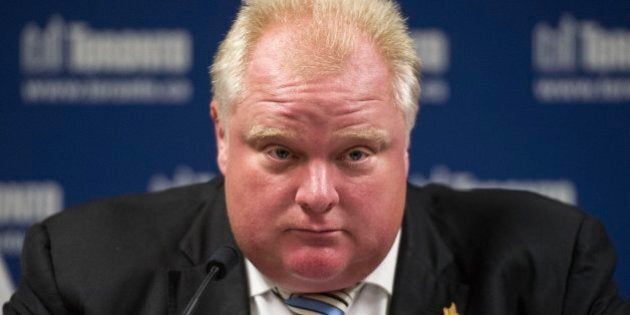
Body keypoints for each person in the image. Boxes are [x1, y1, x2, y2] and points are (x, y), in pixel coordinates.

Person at [4, 0, 629, 314]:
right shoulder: (81, 276)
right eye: (280, 151)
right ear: (222, 136)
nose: (318, 194)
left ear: (406, 143)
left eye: (357, 153)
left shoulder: (549, 270)